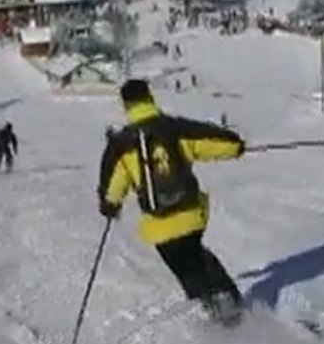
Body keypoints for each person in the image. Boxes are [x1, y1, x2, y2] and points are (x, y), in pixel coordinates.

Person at [97, 80, 246, 324]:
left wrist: (110, 206)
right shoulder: (174, 129)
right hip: (190, 213)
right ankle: (231, 305)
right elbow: (218, 143)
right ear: (150, 98)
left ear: (125, 105)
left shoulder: (121, 145)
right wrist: (238, 147)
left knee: (185, 268)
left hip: (159, 225)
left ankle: (213, 313)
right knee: (198, 255)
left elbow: (113, 188)